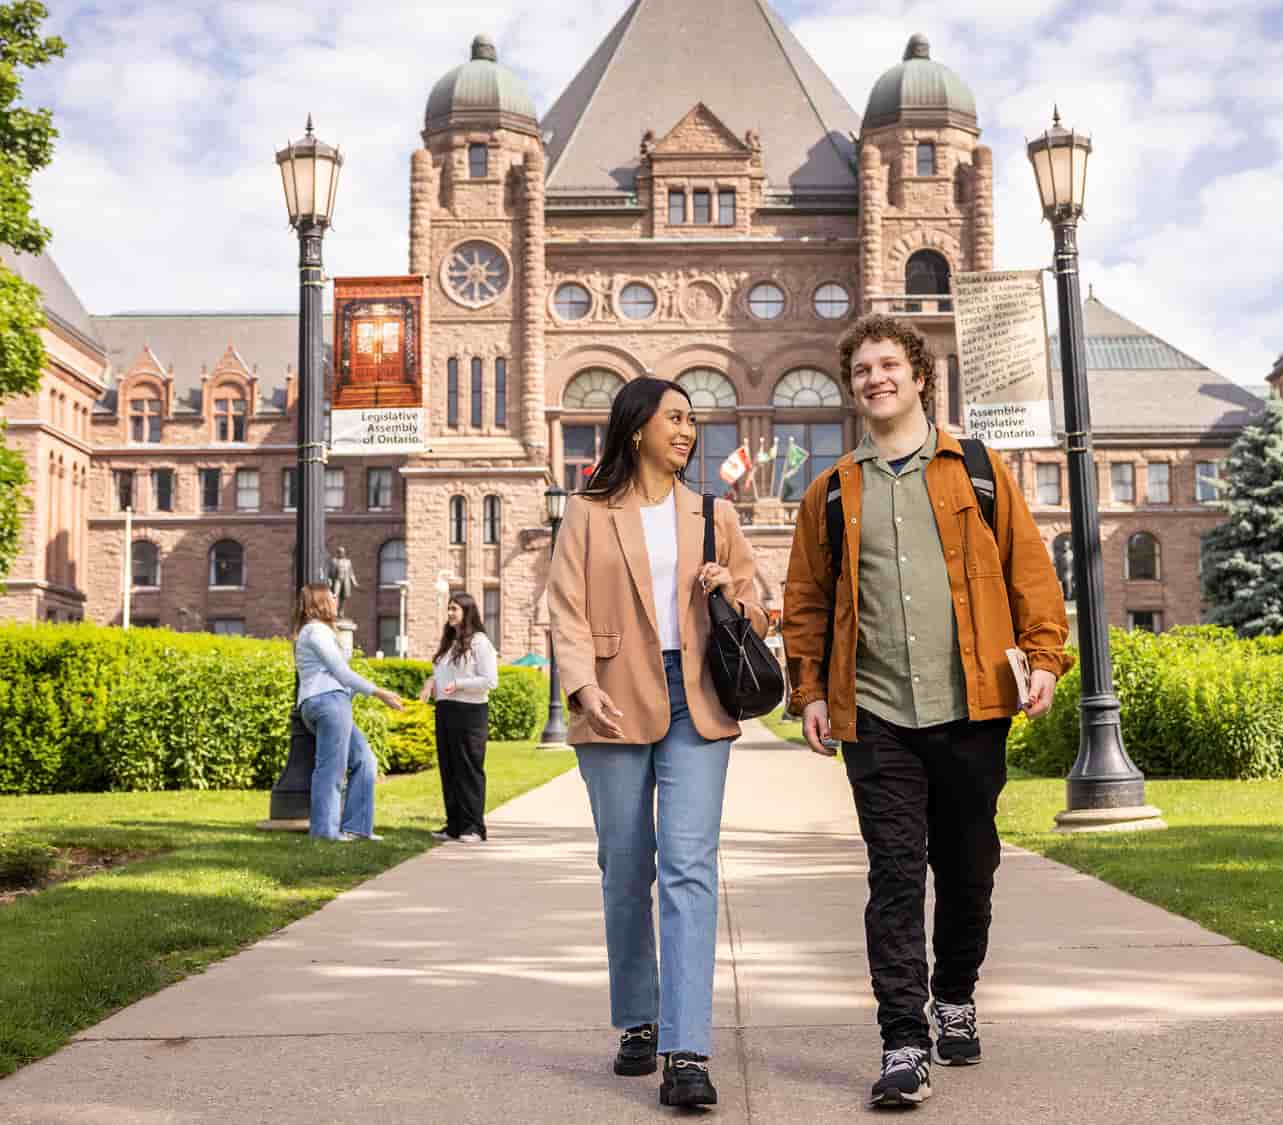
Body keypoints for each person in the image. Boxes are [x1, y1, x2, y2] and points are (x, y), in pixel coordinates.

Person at [782, 314, 1073, 1108]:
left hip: (973, 706)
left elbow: (1030, 571)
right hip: (876, 714)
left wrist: (1045, 657)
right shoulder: (831, 490)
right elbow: (805, 600)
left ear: (917, 376)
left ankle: (955, 994)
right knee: (896, 874)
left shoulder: (977, 469)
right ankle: (903, 1039)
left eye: (888, 365)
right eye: (862, 370)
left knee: (969, 865)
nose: (875, 378)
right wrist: (807, 689)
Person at [547, 376, 768, 1109]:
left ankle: (686, 1048)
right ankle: (638, 1018)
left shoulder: (713, 514)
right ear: (636, 426)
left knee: (689, 865)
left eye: (692, 419)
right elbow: (565, 609)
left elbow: (758, 608)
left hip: (695, 697)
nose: (687, 429)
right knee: (625, 866)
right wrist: (581, 686)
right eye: (675, 416)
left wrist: (725, 590)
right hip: (611, 699)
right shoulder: (585, 514)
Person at [293, 582, 404, 841]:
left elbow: (340, 671)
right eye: (330, 594)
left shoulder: (321, 631)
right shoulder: (315, 631)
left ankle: (356, 828)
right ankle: (325, 834)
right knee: (331, 770)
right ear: (319, 601)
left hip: (330, 702)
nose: (335, 597)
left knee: (365, 760)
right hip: (327, 703)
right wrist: (380, 693)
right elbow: (341, 672)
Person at [419, 592, 499, 842]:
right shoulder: (451, 642)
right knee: (449, 768)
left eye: (454, 609)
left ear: (467, 611)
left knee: (468, 769)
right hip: (446, 710)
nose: (450, 613)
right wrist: (430, 683)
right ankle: (454, 825)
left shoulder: (479, 642)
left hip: (470, 712)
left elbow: (490, 681)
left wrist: (459, 684)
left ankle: (474, 827)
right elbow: (440, 672)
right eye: (449, 609)